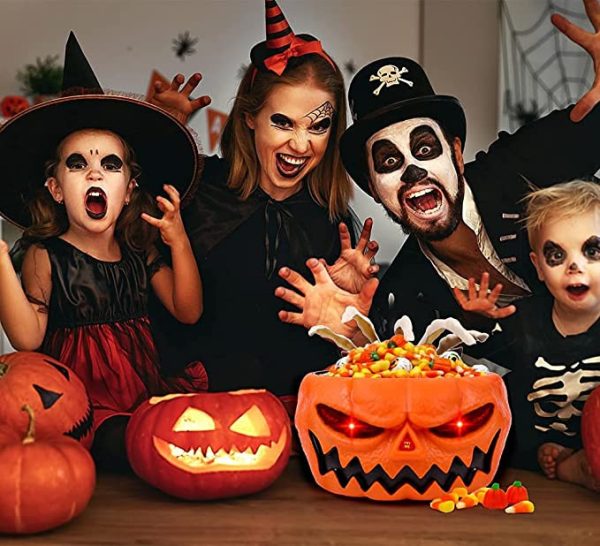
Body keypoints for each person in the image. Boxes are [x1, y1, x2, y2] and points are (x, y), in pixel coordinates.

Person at [275, 1, 600, 344]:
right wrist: (357, 335)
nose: (413, 171)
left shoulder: (522, 165)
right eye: (388, 161)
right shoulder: (404, 293)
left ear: (457, 154)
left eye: (425, 149)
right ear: (373, 188)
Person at [148, 0, 378, 409]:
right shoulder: (195, 189)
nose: (300, 144)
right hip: (193, 413)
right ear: (250, 117)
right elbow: (113, 212)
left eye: (319, 126)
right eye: (283, 122)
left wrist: (351, 321)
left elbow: (354, 360)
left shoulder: (334, 223)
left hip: (299, 421)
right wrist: (162, 134)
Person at [0, 33, 206, 469]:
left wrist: (179, 241)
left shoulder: (137, 250)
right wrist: (0, 259)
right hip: (81, 405)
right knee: (120, 443)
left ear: (129, 190)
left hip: (144, 392)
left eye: (109, 164)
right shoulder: (46, 255)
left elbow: (188, 310)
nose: (94, 170)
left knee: (176, 428)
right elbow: (27, 339)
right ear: (56, 188)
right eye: (78, 163)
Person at [455, 180, 600, 491]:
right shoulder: (520, 321)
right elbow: (467, 371)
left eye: (592, 251)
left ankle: (578, 465)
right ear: (538, 267)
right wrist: (476, 321)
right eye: (556, 255)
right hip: (526, 459)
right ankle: (565, 465)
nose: (575, 265)